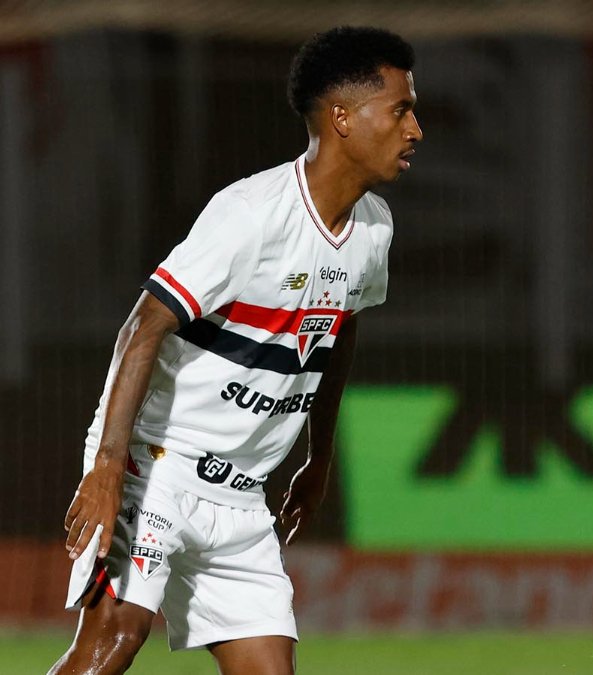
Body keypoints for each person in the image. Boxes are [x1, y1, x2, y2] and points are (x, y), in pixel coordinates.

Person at [51, 26, 422, 675]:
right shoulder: (251, 213)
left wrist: (320, 457)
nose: (415, 129)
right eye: (400, 110)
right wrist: (108, 467)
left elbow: (338, 332)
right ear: (342, 117)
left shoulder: (374, 230)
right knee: (113, 642)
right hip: (155, 467)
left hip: (242, 497)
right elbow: (143, 327)